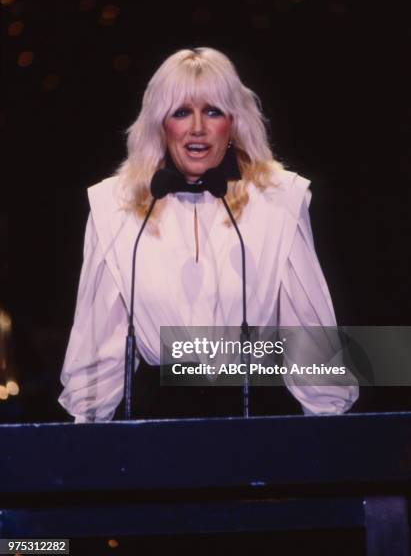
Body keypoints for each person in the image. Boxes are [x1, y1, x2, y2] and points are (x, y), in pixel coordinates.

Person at [58, 47, 358, 423]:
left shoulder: (278, 200)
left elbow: (309, 335)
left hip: (257, 417)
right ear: (159, 124)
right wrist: (84, 432)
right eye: (181, 112)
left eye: (213, 111)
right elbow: (100, 343)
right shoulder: (114, 206)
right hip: (154, 428)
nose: (197, 127)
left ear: (233, 122)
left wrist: (329, 430)